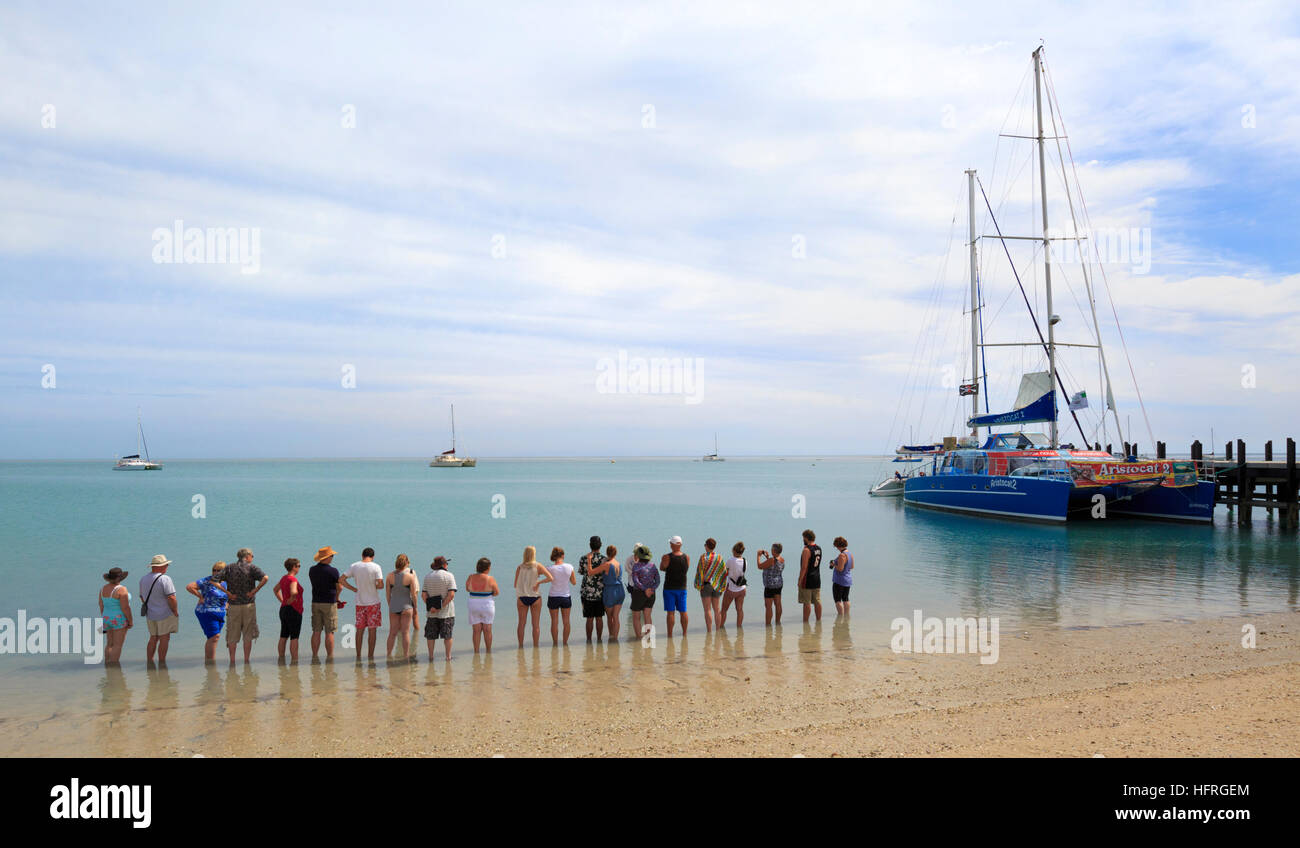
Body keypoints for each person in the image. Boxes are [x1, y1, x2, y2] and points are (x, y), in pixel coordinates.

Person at [340, 547, 385, 660]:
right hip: (373, 603)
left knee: (359, 630)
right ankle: (370, 656)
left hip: (360, 602)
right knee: (372, 630)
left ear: (362, 555)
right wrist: (374, 585)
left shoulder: (354, 566)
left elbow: (341, 579)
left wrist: (353, 589)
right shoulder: (376, 567)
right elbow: (380, 585)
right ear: (373, 557)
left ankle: (358, 655)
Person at [225, 547, 268, 663]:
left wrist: (227, 593)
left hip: (233, 605)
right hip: (248, 604)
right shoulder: (252, 567)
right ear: (247, 556)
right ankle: (246, 660)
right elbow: (265, 578)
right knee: (248, 634)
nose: (252, 558)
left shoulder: (229, 567)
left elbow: (214, 580)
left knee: (232, 634)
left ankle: (232, 661)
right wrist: (255, 590)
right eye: (252, 556)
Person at [139, 554, 178, 663]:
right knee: (164, 638)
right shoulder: (165, 579)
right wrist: (175, 611)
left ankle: (150, 661)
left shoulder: (143, 579)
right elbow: (171, 597)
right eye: (166, 565)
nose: (167, 567)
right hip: (164, 613)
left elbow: (142, 597)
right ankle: (162, 662)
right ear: (160, 566)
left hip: (150, 614)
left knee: (153, 638)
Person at [187, 562, 229, 661]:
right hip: (206, 612)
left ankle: (210, 662)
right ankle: (210, 663)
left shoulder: (227, 582)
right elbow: (189, 587)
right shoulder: (207, 580)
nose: (216, 572)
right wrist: (200, 597)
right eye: (214, 570)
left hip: (220, 613)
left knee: (214, 637)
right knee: (214, 636)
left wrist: (228, 605)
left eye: (219, 570)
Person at [513, 546, 553, 648]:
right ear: (534, 554)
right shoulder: (538, 566)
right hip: (535, 597)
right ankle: (536, 647)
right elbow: (550, 578)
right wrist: (539, 582)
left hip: (522, 597)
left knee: (521, 624)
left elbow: (515, 585)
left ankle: (520, 646)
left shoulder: (519, 567)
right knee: (535, 625)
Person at [308, 546, 342, 661]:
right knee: (329, 631)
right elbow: (340, 587)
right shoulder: (333, 571)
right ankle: (330, 657)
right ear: (327, 557)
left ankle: (315, 656)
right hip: (329, 603)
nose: (333, 557)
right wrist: (337, 598)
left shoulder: (312, 570)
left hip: (316, 602)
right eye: (332, 556)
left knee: (316, 630)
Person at [422, 555, 457, 661]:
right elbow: (451, 594)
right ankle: (448, 657)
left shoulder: (428, 576)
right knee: (447, 635)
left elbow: (424, 595)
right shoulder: (449, 575)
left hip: (431, 612)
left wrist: (431, 607)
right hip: (446, 612)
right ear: (444, 565)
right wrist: (441, 606)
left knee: (431, 636)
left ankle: (431, 656)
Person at [387, 554, 419, 660]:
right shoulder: (410, 577)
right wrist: (415, 606)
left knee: (392, 633)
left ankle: (389, 655)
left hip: (394, 606)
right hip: (406, 606)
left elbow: (388, 595)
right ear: (406, 563)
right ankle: (406, 656)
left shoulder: (389, 576)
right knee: (405, 632)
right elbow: (414, 594)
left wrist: (390, 605)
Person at [465, 557, 499, 654]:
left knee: (476, 630)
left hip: (473, 603)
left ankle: (476, 652)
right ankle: (488, 651)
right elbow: (496, 592)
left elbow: (467, 589)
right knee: (487, 629)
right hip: (487, 603)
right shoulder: (490, 579)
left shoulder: (471, 577)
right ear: (487, 568)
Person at [98, 567, 133, 664]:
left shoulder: (102, 589)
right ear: (120, 578)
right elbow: (125, 607)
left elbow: (101, 605)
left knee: (109, 643)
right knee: (118, 645)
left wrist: (104, 617)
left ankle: (107, 664)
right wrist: (130, 621)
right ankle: (114, 667)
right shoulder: (122, 589)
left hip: (106, 618)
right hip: (119, 619)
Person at [693, 537, 727, 632]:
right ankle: (717, 630)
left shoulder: (703, 557)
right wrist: (721, 584)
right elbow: (723, 571)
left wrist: (699, 585)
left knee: (707, 610)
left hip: (706, 585)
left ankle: (709, 631)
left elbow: (700, 572)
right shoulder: (719, 557)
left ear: (706, 546)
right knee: (717, 609)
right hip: (716, 585)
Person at [577, 536, 607, 643]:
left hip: (587, 592)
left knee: (589, 618)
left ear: (590, 545)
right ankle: (599, 639)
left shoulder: (583, 558)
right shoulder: (604, 559)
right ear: (600, 545)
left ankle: (589, 640)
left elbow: (581, 572)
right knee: (599, 617)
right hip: (600, 592)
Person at [627, 543, 659, 641]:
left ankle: (638, 638)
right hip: (651, 594)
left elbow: (636, 581)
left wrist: (645, 589)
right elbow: (657, 580)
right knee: (647, 616)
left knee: (636, 617)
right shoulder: (653, 566)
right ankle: (648, 638)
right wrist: (651, 589)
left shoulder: (636, 567)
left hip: (639, 593)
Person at [274, 558, 304, 661]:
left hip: (283, 609)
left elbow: (275, 589)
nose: (299, 568)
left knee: (283, 635)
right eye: (298, 566)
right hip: (294, 609)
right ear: (294, 567)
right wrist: (291, 599)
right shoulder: (293, 579)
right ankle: (294, 661)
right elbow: (294, 592)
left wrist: (283, 601)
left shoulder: (284, 578)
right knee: (294, 637)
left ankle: (281, 658)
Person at [659, 535, 690, 636]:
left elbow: (662, 568)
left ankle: (670, 634)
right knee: (683, 611)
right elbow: (686, 569)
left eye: (670, 543)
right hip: (682, 587)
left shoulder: (666, 557)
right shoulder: (687, 557)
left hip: (669, 588)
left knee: (670, 612)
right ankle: (684, 633)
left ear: (672, 545)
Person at [546, 547, 576, 646]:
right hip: (565, 597)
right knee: (566, 621)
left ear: (553, 556)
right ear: (562, 555)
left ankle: (555, 643)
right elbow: (574, 582)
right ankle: (565, 643)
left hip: (553, 596)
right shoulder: (569, 567)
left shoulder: (549, 568)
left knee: (554, 621)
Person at [595, 545, 625, 642]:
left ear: (607, 553)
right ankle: (615, 639)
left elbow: (592, 572)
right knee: (616, 616)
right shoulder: (618, 563)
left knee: (609, 616)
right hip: (620, 590)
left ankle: (611, 636)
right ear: (615, 553)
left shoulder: (606, 564)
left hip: (610, 591)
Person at [718, 542, 747, 628]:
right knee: (739, 610)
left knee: (724, 610)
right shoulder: (745, 561)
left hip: (731, 589)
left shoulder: (731, 560)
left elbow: (724, 572)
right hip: (742, 588)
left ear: (734, 550)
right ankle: (739, 629)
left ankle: (720, 628)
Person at [797, 529, 823, 622]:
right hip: (817, 577)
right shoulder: (818, 548)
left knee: (806, 602)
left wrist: (800, 580)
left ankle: (805, 622)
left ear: (807, 538)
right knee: (817, 601)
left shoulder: (806, 550)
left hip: (807, 579)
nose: (803, 540)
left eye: (803, 538)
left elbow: (804, 567)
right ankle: (818, 620)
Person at [756, 543, 785, 626]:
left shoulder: (771, 560)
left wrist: (758, 556)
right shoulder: (782, 559)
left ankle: (768, 625)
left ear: (774, 550)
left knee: (768, 606)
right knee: (778, 603)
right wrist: (767, 557)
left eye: (772, 549)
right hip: (778, 584)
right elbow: (773, 567)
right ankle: (778, 622)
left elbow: (760, 566)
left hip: (769, 585)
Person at [830, 536, 854, 615]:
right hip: (847, 579)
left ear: (838, 545)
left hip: (839, 580)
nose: (836, 548)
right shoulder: (850, 554)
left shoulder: (842, 555)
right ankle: (847, 616)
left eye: (836, 546)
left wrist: (834, 564)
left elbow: (840, 569)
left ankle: (840, 616)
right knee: (846, 599)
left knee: (837, 600)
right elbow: (852, 566)